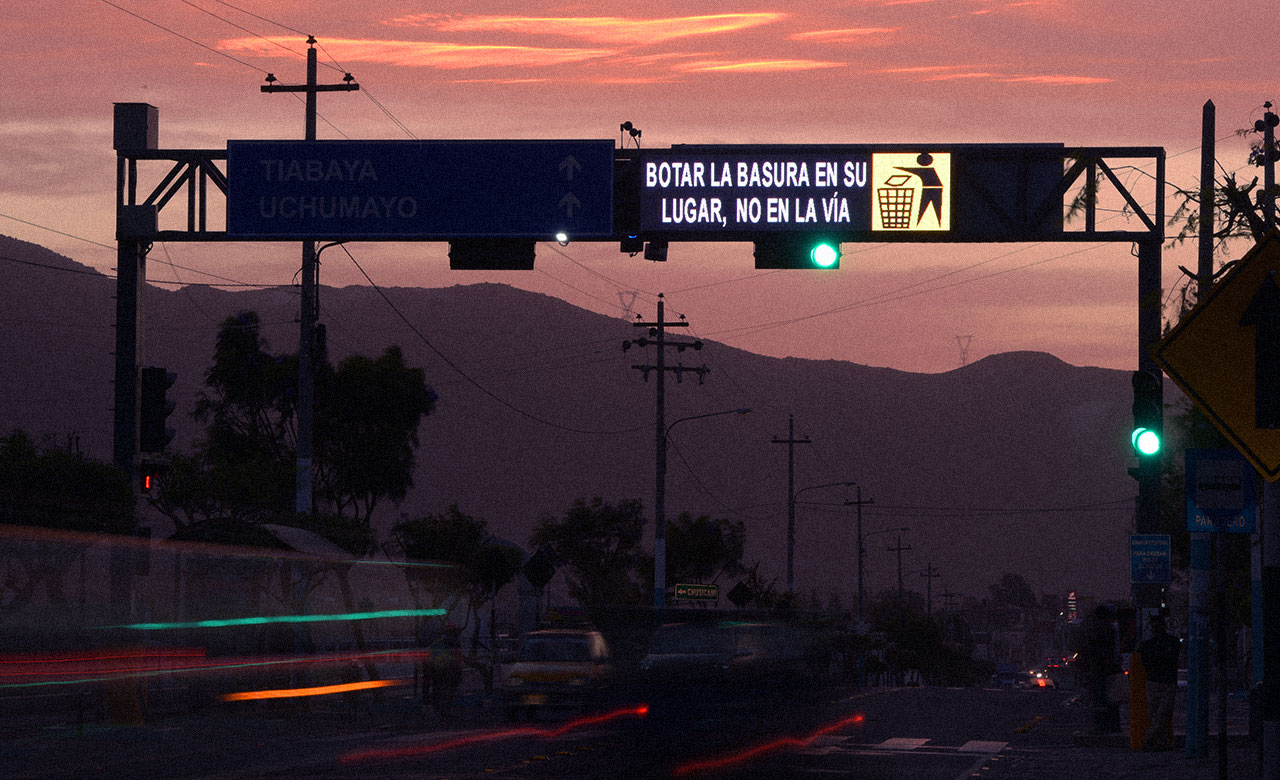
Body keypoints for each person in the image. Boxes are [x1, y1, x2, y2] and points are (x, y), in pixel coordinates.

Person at [1139, 615, 1181, 750]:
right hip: (1156, 680)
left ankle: (1149, 738)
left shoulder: (1171, 643)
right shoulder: (1150, 644)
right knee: (1156, 713)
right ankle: (1162, 743)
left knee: (1162, 712)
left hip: (1164, 681)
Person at [1081, 604, 1123, 733]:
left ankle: (1101, 726)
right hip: (1110, 668)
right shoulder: (1114, 630)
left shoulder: (1101, 631)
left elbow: (1095, 650)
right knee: (1112, 699)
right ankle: (1113, 725)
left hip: (1101, 669)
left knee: (1100, 699)